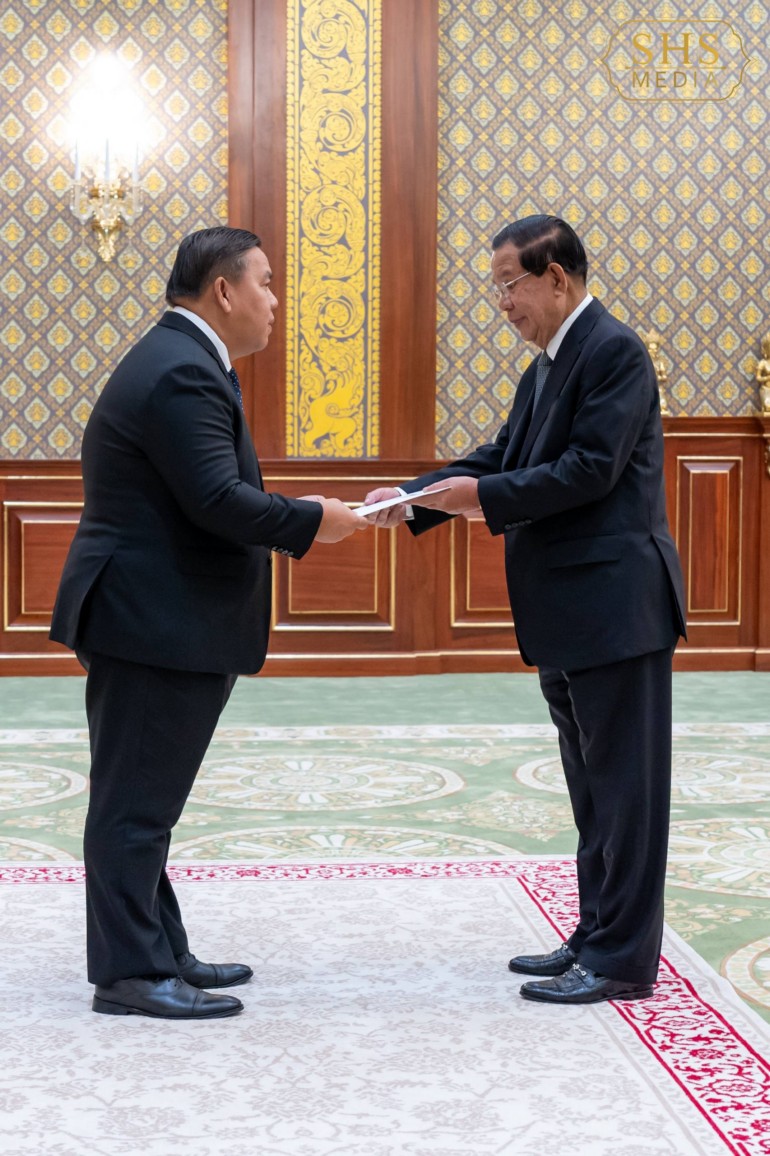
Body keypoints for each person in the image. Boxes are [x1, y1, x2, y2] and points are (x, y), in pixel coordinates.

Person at [364, 215, 686, 1005]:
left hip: (617, 610)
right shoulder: (546, 367)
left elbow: (588, 471)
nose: (502, 302)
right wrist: (413, 497)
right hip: (570, 613)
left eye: (510, 285)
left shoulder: (615, 351)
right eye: (497, 288)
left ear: (558, 279)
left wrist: (476, 499)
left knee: (627, 793)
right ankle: (595, 932)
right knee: (592, 789)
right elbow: (502, 457)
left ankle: (621, 960)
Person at [51, 226, 367, 1019]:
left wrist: (300, 512)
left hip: (155, 615)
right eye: (265, 282)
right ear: (224, 291)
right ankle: (131, 973)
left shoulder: (182, 359)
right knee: (134, 805)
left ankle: (158, 947)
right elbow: (217, 501)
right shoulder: (182, 371)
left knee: (144, 798)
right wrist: (313, 520)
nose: (274, 300)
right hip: (150, 620)